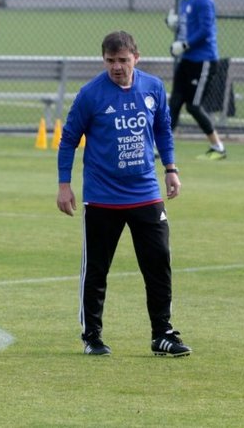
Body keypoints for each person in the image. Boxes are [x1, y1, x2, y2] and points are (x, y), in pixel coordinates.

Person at [56, 31, 191, 358]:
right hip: (103, 197)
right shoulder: (91, 95)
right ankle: (93, 336)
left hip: (146, 192)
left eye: (123, 60)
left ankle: (163, 334)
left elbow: (162, 129)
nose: (117, 67)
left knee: (158, 263)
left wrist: (170, 169)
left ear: (136, 58)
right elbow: (68, 139)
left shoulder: (153, 88)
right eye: (110, 61)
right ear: (103, 60)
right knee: (97, 269)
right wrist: (64, 185)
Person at [166, 0, 226, 160]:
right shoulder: (185, 1)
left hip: (203, 61)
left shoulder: (203, 0)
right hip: (187, 60)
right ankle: (163, 148)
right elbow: (188, 28)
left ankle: (218, 147)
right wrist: (175, 24)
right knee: (174, 102)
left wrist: (184, 45)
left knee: (193, 105)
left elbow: (206, 31)